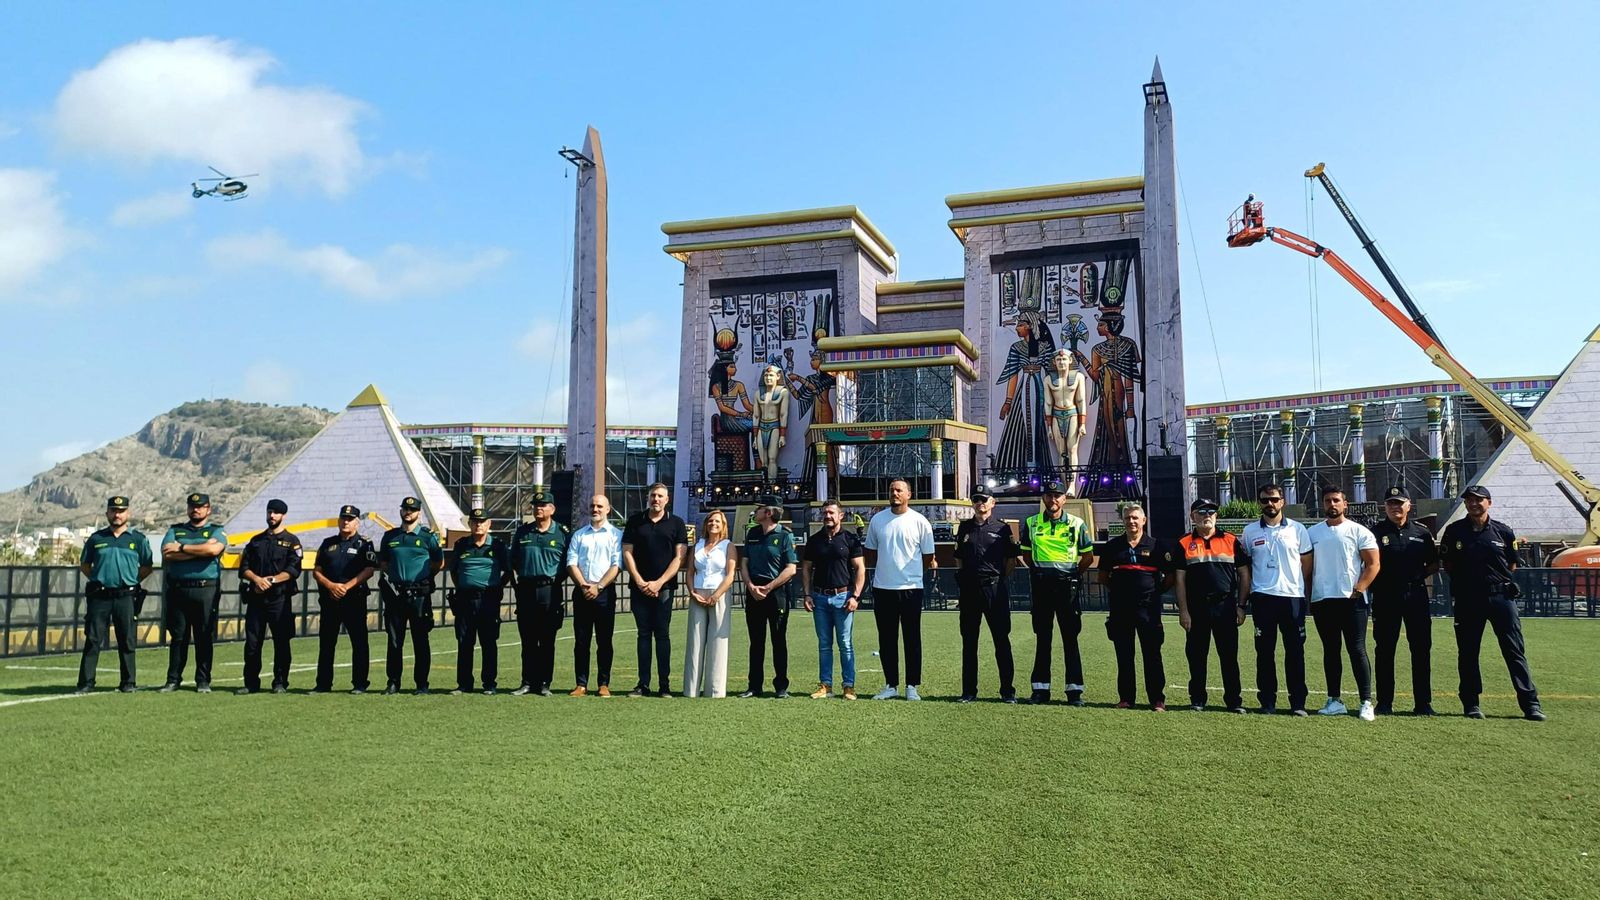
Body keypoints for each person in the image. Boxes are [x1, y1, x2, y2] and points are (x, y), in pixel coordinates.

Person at [1439, 485, 1545, 721]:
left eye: (1479, 500)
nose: (1474, 504)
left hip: (1501, 598)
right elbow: (1448, 564)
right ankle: (1471, 703)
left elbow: (1512, 564)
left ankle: (1530, 705)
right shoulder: (1454, 531)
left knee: (1514, 651)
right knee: (1468, 652)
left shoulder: (1503, 531)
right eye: (1469, 500)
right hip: (1468, 598)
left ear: (1489, 502)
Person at [1306, 486, 1381, 720]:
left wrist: (1358, 590)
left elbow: (1373, 564)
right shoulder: (1312, 533)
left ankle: (1366, 701)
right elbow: (1307, 568)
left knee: (1357, 650)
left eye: (1336, 500)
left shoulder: (1360, 531)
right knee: (1331, 651)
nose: (1332, 504)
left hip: (1352, 601)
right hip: (1323, 600)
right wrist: (1309, 595)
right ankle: (1334, 700)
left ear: (1345, 504)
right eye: (1328, 500)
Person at [1020, 479, 1096, 705]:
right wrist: (1042, 572)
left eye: (1057, 496)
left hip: (1067, 588)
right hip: (1042, 587)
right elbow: (1026, 556)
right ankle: (1040, 690)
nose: (1053, 500)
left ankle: (1074, 692)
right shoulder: (1031, 523)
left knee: (1070, 639)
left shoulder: (1076, 523)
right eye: (1049, 495)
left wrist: (1072, 574)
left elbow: (1088, 557)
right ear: (1044, 498)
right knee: (1043, 638)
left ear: (1064, 499)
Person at [1241, 483, 1313, 715]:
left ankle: (1298, 703)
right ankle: (1268, 702)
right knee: (1264, 653)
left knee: (1295, 652)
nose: (1269, 504)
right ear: (1259, 503)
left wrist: (1296, 586)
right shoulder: (1250, 531)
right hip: (1263, 598)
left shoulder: (1298, 529)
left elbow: (1306, 564)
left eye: (1273, 499)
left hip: (1292, 597)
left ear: (1282, 501)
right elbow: (1246, 567)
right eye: (1264, 500)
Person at [1174, 498, 1249, 712]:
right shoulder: (1183, 543)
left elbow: (1244, 574)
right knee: (1196, 656)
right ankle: (1197, 699)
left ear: (1216, 516)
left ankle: (1234, 701)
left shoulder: (1231, 540)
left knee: (1229, 656)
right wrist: (1184, 611)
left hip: (1225, 607)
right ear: (1192, 516)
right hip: (1196, 608)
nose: (1206, 515)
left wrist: (1241, 605)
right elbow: (1179, 580)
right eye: (1201, 511)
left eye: (1211, 511)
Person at [1370, 485, 1439, 715]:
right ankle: (1384, 702)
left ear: (1409, 505)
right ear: (1385, 507)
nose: (1395, 507)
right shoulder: (1375, 532)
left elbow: (1433, 563)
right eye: (1390, 503)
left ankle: (1423, 703)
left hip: (1415, 596)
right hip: (1385, 596)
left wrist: (1417, 577)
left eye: (1399, 503)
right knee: (1385, 650)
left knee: (1421, 649)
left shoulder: (1421, 533)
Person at [865, 478, 936, 700]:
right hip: (883, 588)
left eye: (899, 490)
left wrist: (912, 575)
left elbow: (928, 557)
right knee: (886, 639)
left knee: (912, 638)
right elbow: (871, 552)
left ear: (909, 495)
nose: (894, 493)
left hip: (911, 588)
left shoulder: (919, 521)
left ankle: (912, 685)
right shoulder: (878, 520)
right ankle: (891, 685)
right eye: (892, 490)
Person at [75, 495, 153, 694]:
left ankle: (128, 682)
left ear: (128, 513)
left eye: (121, 511)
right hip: (100, 596)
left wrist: (132, 580)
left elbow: (146, 566)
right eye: (113, 511)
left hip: (125, 596)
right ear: (107, 513)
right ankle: (86, 683)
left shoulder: (137, 539)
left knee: (127, 640)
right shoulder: (96, 539)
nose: (117, 515)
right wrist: (98, 579)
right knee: (93, 639)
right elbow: (85, 565)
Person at [953, 486, 1021, 703]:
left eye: (984, 499)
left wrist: (999, 579)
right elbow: (959, 557)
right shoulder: (964, 527)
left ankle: (1007, 691)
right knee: (969, 641)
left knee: (1001, 640)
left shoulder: (1002, 529)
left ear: (993, 503)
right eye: (976, 499)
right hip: (970, 590)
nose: (980, 503)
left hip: (994, 589)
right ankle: (969, 691)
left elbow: (1011, 560)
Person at [1099, 504, 1169, 710]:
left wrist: (1154, 591)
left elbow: (1171, 577)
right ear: (1123, 521)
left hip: (1148, 611)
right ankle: (1126, 698)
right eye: (1128, 518)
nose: (1131, 521)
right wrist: (1121, 592)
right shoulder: (1112, 547)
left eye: (1135, 518)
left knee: (1152, 655)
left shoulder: (1157, 546)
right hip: (1120, 611)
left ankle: (1157, 699)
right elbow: (1103, 577)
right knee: (1124, 655)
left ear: (1144, 520)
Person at [622, 483, 688, 697]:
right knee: (643, 634)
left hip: (665, 589)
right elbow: (627, 553)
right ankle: (643, 684)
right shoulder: (634, 521)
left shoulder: (677, 523)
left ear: (667, 499)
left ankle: (664, 685)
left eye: (660, 496)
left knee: (662, 635)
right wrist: (640, 581)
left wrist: (659, 582)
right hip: (638, 588)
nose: (656, 499)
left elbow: (680, 557)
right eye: (652, 495)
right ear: (647, 497)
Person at [159, 492, 228, 692]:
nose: (195, 510)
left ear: (209, 509)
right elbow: (167, 553)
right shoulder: (176, 530)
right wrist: (199, 551)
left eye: (200, 506)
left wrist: (182, 548)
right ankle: (173, 679)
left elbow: (213, 551)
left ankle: (203, 680)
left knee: (203, 635)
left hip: (205, 588)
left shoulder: (217, 530)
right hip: (179, 588)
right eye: (192, 506)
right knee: (178, 636)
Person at [377, 496, 444, 695]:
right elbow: (385, 563)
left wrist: (422, 579)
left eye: (412, 509)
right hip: (396, 595)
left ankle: (422, 683)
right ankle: (393, 682)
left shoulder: (427, 537)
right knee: (395, 640)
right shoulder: (390, 536)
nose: (408, 512)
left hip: (419, 596)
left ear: (418, 513)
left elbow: (437, 563)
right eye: (405, 509)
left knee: (421, 640)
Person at [801, 499, 866, 700]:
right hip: (819, 598)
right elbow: (806, 568)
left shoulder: (850, 539)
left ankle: (848, 686)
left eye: (831, 513)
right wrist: (807, 594)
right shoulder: (814, 540)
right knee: (824, 644)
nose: (827, 516)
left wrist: (855, 596)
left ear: (840, 516)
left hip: (843, 597)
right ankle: (825, 686)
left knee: (845, 643)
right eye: (825, 513)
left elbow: (860, 569)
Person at [238, 499, 303, 694]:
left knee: (281, 642)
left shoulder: (292, 541)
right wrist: (257, 580)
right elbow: (244, 568)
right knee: (252, 644)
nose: (272, 516)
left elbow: (294, 569)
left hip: (279, 600)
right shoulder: (256, 541)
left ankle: (280, 682)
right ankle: (251, 683)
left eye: (276, 513)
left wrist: (272, 580)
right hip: (256, 598)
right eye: (269, 512)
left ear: (283, 516)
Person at [509, 491, 569, 697]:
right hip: (526, 590)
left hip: (550, 590)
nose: (538, 508)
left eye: (543, 505)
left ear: (552, 509)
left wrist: (555, 580)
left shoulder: (561, 533)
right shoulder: (523, 532)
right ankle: (527, 682)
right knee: (527, 639)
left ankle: (544, 682)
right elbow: (513, 560)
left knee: (547, 639)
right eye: (535, 505)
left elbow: (568, 564)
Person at [312, 504, 376, 694]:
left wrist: (346, 587)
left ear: (357, 522)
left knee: (359, 643)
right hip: (330, 599)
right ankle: (323, 684)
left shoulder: (365, 544)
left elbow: (369, 569)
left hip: (353, 599)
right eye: (343, 519)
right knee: (326, 643)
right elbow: (317, 571)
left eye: (350, 519)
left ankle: (360, 683)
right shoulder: (327, 543)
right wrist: (331, 586)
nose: (346, 522)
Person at [738, 499, 798, 698]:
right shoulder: (753, 533)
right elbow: (744, 563)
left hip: (776, 592)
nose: (756, 512)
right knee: (756, 641)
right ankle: (754, 686)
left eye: (759, 509)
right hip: (754, 591)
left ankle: (781, 686)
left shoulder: (784, 535)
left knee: (778, 639)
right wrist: (750, 586)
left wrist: (769, 587)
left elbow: (791, 568)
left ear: (769, 512)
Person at [448, 508, 510, 695]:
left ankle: (489, 683)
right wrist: (463, 587)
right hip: (466, 600)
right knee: (464, 642)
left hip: (488, 600)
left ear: (489, 524)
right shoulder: (461, 545)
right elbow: (454, 571)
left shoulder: (497, 546)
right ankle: (464, 684)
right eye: (475, 521)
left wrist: (497, 587)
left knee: (488, 642)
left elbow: (508, 571)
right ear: (469, 524)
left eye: (482, 521)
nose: (478, 524)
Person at [567, 494, 622, 697]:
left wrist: (598, 587)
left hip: (605, 593)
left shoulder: (616, 535)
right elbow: (571, 562)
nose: (595, 509)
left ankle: (603, 683)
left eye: (600, 506)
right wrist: (583, 585)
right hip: (582, 591)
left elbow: (617, 565)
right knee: (581, 641)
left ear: (608, 509)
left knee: (604, 641)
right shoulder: (579, 535)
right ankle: (581, 684)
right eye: (592, 505)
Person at [683, 509, 737, 698]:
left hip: (719, 594)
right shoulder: (697, 546)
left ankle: (714, 690)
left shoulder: (728, 546)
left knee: (718, 641)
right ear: (706, 524)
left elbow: (730, 574)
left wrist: (717, 595)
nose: (713, 524)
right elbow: (690, 571)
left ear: (723, 526)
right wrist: (692, 592)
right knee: (695, 641)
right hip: (698, 593)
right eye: (710, 521)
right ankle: (691, 689)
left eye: (718, 522)